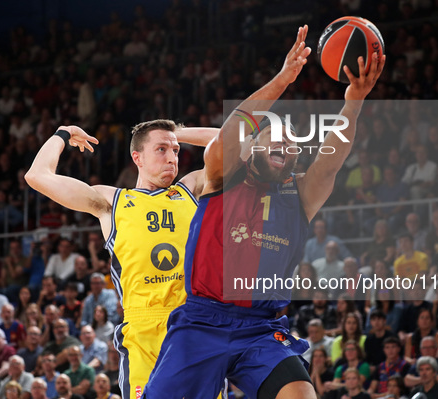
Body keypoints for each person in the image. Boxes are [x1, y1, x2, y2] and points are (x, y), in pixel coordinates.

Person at [145, 28, 384, 397]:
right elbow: (233, 128)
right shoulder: (220, 176)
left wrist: (353, 102)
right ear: (249, 148)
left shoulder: (300, 193)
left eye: (291, 140)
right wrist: (284, 79)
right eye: (273, 134)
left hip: (261, 328)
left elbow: (331, 161)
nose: (284, 142)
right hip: (200, 322)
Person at [25, 101, 215, 399]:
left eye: (176, 151)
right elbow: (37, 176)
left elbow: (241, 147)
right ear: (136, 157)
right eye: (161, 150)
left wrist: (176, 133)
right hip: (142, 330)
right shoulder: (111, 201)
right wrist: (62, 134)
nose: (172, 158)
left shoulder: (190, 188)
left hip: (196, 321)